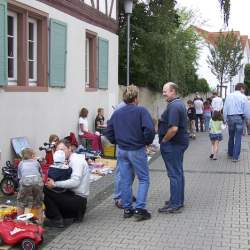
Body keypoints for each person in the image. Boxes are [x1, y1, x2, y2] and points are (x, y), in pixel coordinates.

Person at [105, 85, 155, 221]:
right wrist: (146, 142)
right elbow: (150, 130)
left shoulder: (117, 113)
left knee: (125, 180)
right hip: (136, 149)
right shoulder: (141, 111)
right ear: (136, 98)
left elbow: (108, 131)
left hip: (122, 150)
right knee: (144, 179)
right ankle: (140, 208)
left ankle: (127, 209)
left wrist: (117, 140)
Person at [158, 82, 189, 214]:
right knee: (178, 172)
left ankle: (175, 203)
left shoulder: (175, 106)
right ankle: (177, 200)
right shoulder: (177, 104)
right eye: (163, 91)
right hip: (178, 143)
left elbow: (174, 128)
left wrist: (164, 140)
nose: (163, 93)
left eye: (166, 91)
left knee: (174, 174)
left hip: (173, 144)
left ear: (173, 91)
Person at [44, 139, 90, 228]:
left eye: (62, 150)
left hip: (78, 200)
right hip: (73, 197)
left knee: (46, 189)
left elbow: (75, 182)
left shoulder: (76, 161)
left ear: (70, 148)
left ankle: (56, 219)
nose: (60, 153)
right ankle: (65, 216)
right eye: (58, 150)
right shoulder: (68, 160)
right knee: (49, 188)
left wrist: (55, 184)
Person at [223, 83, 249, 162]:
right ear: (241, 88)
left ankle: (230, 153)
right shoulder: (243, 97)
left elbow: (225, 109)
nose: (244, 91)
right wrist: (248, 120)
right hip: (239, 118)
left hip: (230, 118)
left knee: (231, 136)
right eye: (243, 89)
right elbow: (246, 110)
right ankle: (235, 157)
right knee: (238, 138)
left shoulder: (228, 96)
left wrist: (224, 119)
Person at [17, 148, 44, 224]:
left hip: (25, 181)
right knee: (38, 201)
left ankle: (20, 221)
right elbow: (41, 174)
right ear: (32, 156)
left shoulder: (21, 163)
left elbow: (20, 177)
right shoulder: (36, 162)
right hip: (37, 181)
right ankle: (39, 220)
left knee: (21, 202)